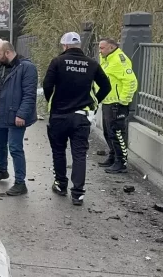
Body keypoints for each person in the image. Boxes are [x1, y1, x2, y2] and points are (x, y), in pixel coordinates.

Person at [43, 32, 111, 205]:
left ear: (64, 46)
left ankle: (60, 184)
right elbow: (106, 86)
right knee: (79, 154)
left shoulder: (57, 62)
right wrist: (94, 102)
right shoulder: (92, 63)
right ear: (79, 46)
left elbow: (47, 85)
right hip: (81, 116)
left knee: (58, 151)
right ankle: (78, 193)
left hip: (59, 115)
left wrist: (52, 100)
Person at [0, 41, 38, 196]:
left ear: (8, 52)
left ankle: (20, 183)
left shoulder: (27, 68)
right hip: (1, 113)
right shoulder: (1, 66)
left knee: (15, 147)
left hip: (16, 116)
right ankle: (2, 170)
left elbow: (29, 95)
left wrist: (21, 114)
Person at [97, 37, 138, 174]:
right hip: (107, 101)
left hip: (116, 104)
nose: (99, 50)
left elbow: (131, 81)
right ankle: (113, 156)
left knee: (117, 133)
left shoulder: (119, 60)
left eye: (102, 48)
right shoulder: (107, 58)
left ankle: (121, 162)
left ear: (111, 47)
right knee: (108, 132)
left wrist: (124, 100)